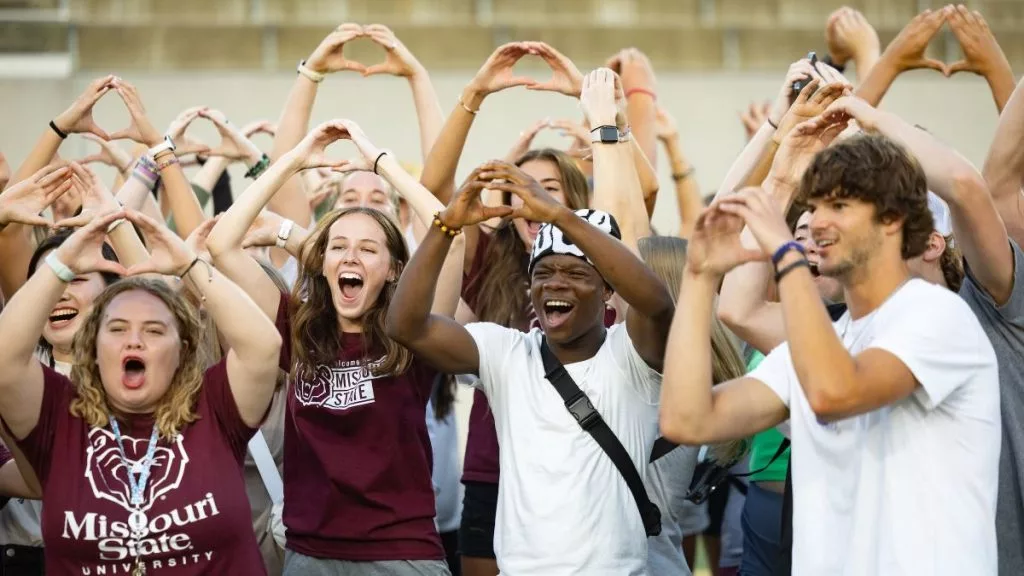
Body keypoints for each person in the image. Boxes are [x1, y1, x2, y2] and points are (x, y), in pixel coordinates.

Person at [660, 125, 1000, 575]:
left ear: (892, 219)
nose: (817, 222)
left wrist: (786, 255)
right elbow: (688, 418)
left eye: (839, 205)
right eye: (815, 205)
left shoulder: (937, 315)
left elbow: (833, 393)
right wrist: (699, 277)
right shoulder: (827, 341)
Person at [387, 72, 676, 569]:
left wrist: (559, 216)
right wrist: (446, 225)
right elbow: (407, 326)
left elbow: (657, 303)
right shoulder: (507, 353)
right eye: (544, 274)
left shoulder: (630, 355)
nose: (555, 285)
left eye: (574, 274)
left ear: (608, 289)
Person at [206, 118, 463, 576]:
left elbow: (452, 234)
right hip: (310, 556)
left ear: (392, 270)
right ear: (320, 262)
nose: (350, 257)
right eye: (339, 247)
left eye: (368, 249)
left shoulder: (412, 333)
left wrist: (379, 162)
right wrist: (293, 161)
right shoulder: (298, 329)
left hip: (402, 556)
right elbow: (222, 244)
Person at [0, 208, 282, 575]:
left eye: (153, 330)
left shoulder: (213, 407)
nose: (134, 340)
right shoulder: (60, 416)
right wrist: (62, 262)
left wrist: (188, 263)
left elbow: (264, 348)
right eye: (116, 329)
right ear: (93, 348)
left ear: (181, 348)